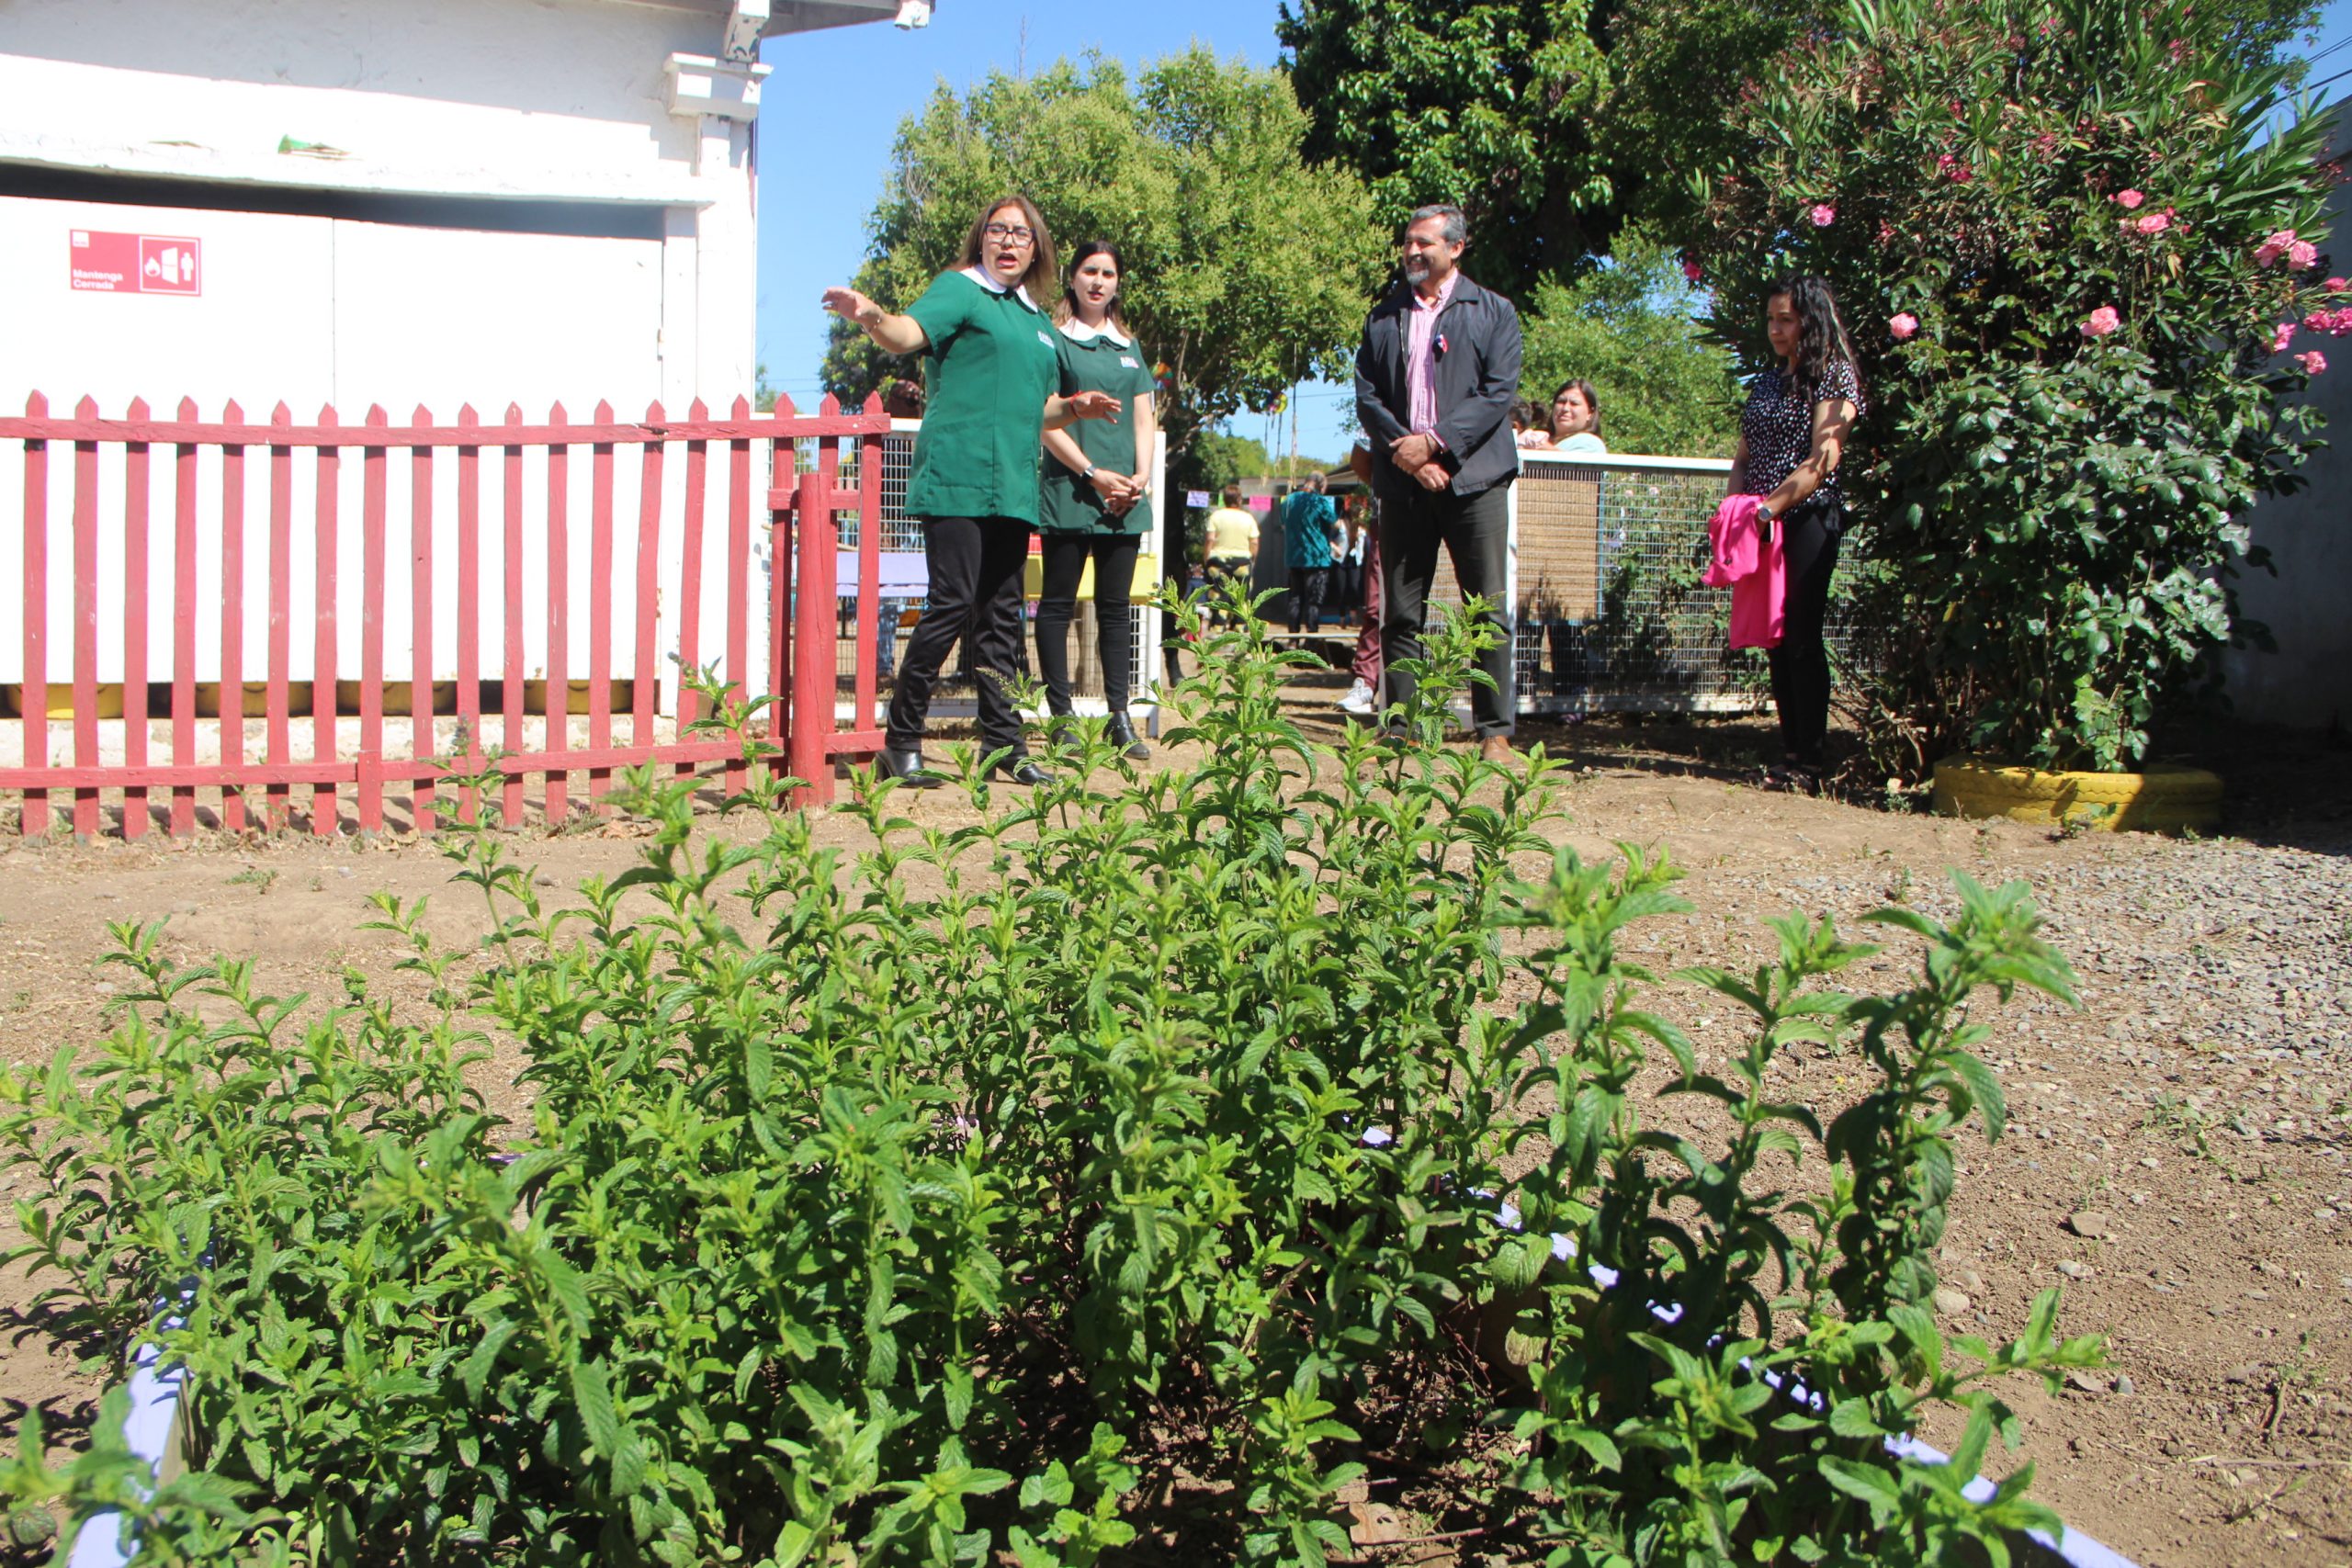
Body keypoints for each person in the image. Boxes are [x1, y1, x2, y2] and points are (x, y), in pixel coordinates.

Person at [822, 196, 1122, 789]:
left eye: (1021, 233)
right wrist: (871, 316)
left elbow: (1038, 410)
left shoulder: (1037, 323)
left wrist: (1074, 406)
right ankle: (901, 740)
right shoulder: (960, 288)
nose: (1009, 241)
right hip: (957, 475)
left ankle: (1004, 747)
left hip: (1012, 486)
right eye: (998, 231)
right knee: (953, 605)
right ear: (982, 239)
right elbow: (907, 332)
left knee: (1003, 620)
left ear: (1036, 247)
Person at [1353, 203, 1523, 761]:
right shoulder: (1384, 317)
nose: (1413, 252)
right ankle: (1399, 727)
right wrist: (1410, 455)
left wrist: (1437, 445)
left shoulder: (1493, 312)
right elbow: (1368, 396)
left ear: (1456, 248)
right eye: (1408, 242)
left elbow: (1497, 394)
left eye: (1424, 242)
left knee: (1485, 610)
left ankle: (1494, 731)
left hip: (1475, 481)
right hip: (1404, 483)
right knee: (1402, 611)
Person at [1727, 273, 1863, 792]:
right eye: (1771, 320)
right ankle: (1789, 754)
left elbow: (1823, 460)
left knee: (1802, 635)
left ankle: (1811, 762)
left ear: (1812, 321)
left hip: (1807, 517)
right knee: (1775, 640)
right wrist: (1738, 509)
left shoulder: (1835, 379)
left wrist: (1770, 510)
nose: (1776, 330)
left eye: (1787, 319)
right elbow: (1744, 455)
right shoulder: (1766, 382)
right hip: (1759, 520)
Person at [1037, 240, 1158, 761]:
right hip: (1069, 492)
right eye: (1089, 271)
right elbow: (1042, 420)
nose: (1098, 281)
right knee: (1058, 607)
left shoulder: (1129, 348)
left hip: (1124, 502)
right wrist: (1092, 474)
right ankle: (1061, 720)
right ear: (1072, 277)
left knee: (1115, 611)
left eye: (1108, 273)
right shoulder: (1053, 341)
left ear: (1117, 283)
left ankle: (1119, 717)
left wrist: (1139, 480)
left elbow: (1144, 418)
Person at [1336, 438, 1384, 717]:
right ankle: (1365, 682)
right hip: (1389, 514)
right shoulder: (1384, 402)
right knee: (1377, 607)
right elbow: (1360, 456)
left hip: (1440, 512)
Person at [1279, 473, 1339, 634]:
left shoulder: (1288, 501)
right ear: (1321, 486)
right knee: (1314, 602)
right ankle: (1311, 642)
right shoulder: (1319, 501)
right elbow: (1336, 524)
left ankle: (1293, 640)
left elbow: (1284, 526)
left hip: (1294, 557)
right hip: (1317, 558)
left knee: (1295, 599)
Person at [1200, 484, 1259, 627]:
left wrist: (1206, 557)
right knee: (1242, 597)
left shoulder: (1216, 516)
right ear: (1239, 500)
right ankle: (1239, 628)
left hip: (1218, 561)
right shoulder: (1248, 518)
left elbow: (1210, 539)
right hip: (1242, 561)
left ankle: (1218, 628)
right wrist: (1252, 558)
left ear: (1224, 499)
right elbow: (1255, 542)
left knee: (1218, 595)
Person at [1544, 379, 1607, 455]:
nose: (1565, 408)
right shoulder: (1540, 438)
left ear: (1590, 413)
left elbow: (1567, 465)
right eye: (1561, 401)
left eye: (1574, 403)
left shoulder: (1591, 444)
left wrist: (1541, 447)